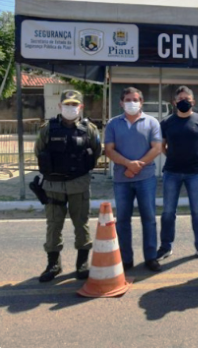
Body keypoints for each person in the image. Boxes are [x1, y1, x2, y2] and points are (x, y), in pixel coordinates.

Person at [34, 90, 101, 282]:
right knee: (54, 225)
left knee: (81, 224)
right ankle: (53, 264)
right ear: (60, 106)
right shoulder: (48, 128)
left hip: (78, 184)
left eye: (74, 104)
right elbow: (39, 151)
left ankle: (82, 263)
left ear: (80, 107)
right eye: (67, 104)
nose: (70, 108)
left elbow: (96, 151)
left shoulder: (90, 129)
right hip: (53, 186)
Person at [104, 87, 163, 272]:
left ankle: (151, 257)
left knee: (149, 218)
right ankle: (126, 258)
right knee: (122, 220)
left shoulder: (152, 122)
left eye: (135, 99)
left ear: (141, 102)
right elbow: (109, 150)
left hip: (146, 178)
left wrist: (137, 166)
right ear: (121, 103)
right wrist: (129, 165)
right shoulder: (113, 124)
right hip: (122, 179)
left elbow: (157, 148)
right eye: (128, 99)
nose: (132, 103)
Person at [157, 86, 198, 262]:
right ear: (174, 102)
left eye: (187, 99)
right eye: (180, 99)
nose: (184, 101)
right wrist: (173, 156)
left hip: (195, 173)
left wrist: (196, 156)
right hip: (172, 172)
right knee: (168, 212)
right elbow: (161, 146)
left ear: (193, 102)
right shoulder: (166, 122)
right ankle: (166, 246)